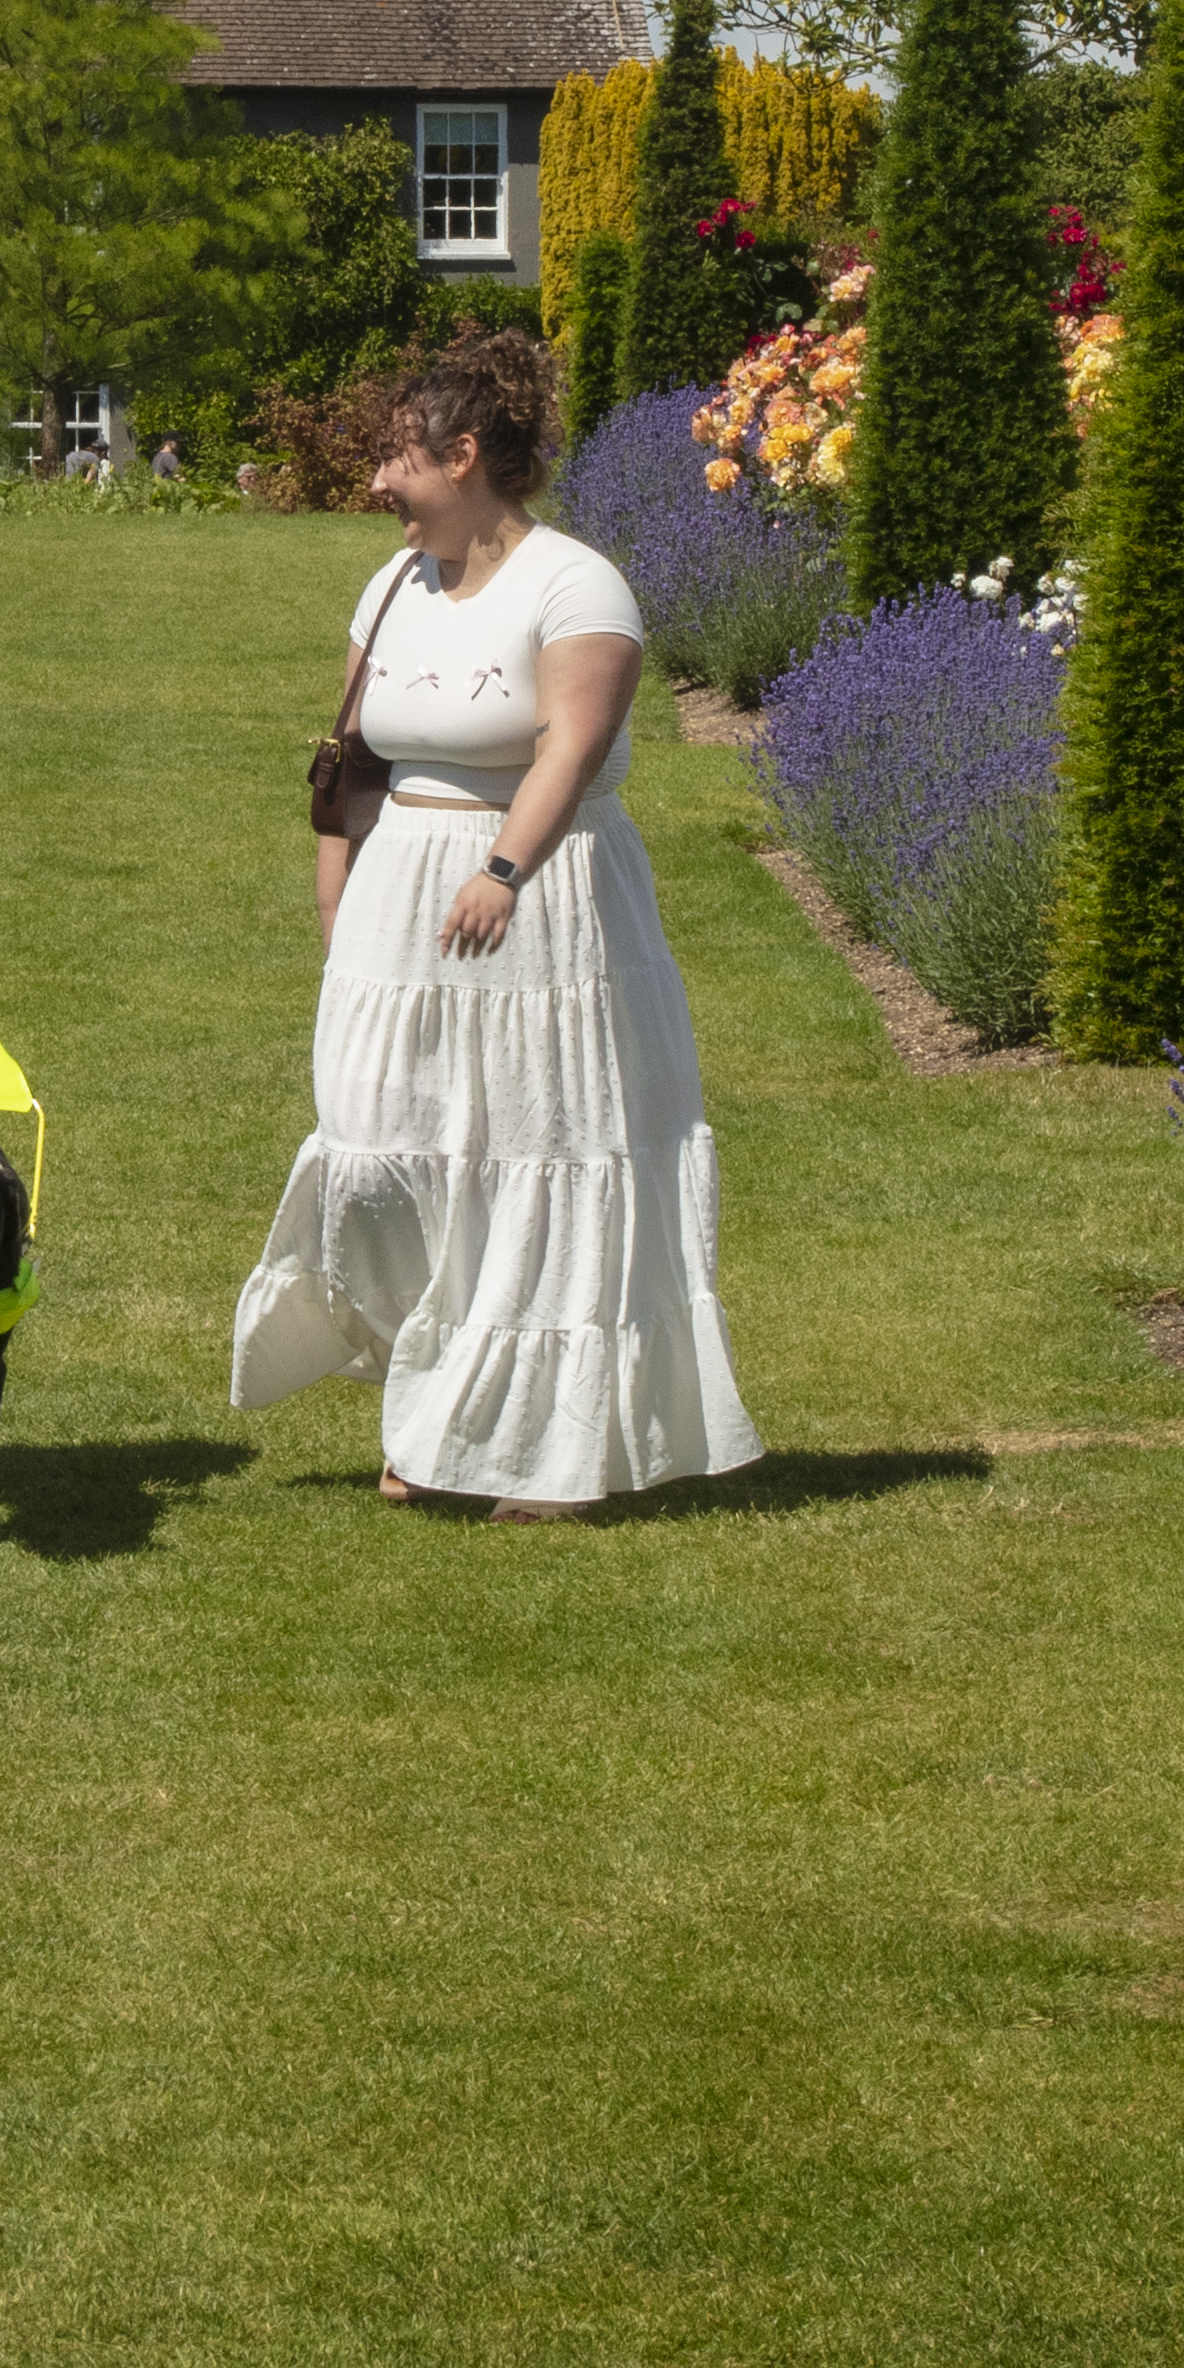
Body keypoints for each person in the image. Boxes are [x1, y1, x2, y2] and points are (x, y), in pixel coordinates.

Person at [234, 328, 748, 1514]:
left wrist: (506, 867)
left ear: (463, 455)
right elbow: (351, 748)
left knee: (540, 1150)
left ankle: (553, 1452)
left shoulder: (578, 584)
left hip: (544, 899)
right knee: (385, 1150)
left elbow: (571, 743)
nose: (376, 483)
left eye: (396, 459)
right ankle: (444, 1404)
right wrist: (336, 884)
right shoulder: (390, 583)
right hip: (398, 893)